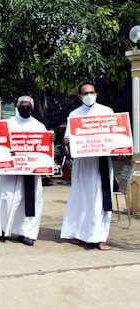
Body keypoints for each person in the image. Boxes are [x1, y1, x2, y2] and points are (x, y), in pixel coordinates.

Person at [61, 81, 114, 250]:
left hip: (102, 162)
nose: (89, 95)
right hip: (83, 164)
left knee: (100, 199)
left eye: (91, 92)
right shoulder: (74, 115)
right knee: (82, 198)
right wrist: (67, 141)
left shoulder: (107, 112)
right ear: (79, 96)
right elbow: (68, 140)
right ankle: (79, 234)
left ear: (96, 93)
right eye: (85, 93)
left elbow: (116, 135)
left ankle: (100, 237)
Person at [0, 96, 49, 246]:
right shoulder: (7, 124)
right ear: (17, 108)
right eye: (22, 105)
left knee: (31, 201)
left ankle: (27, 233)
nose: (25, 108)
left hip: (31, 172)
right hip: (10, 171)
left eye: (28, 105)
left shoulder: (39, 126)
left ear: (32, 107)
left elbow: (45, 147)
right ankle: (4, 230)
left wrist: (50, 140)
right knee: (7, 199)